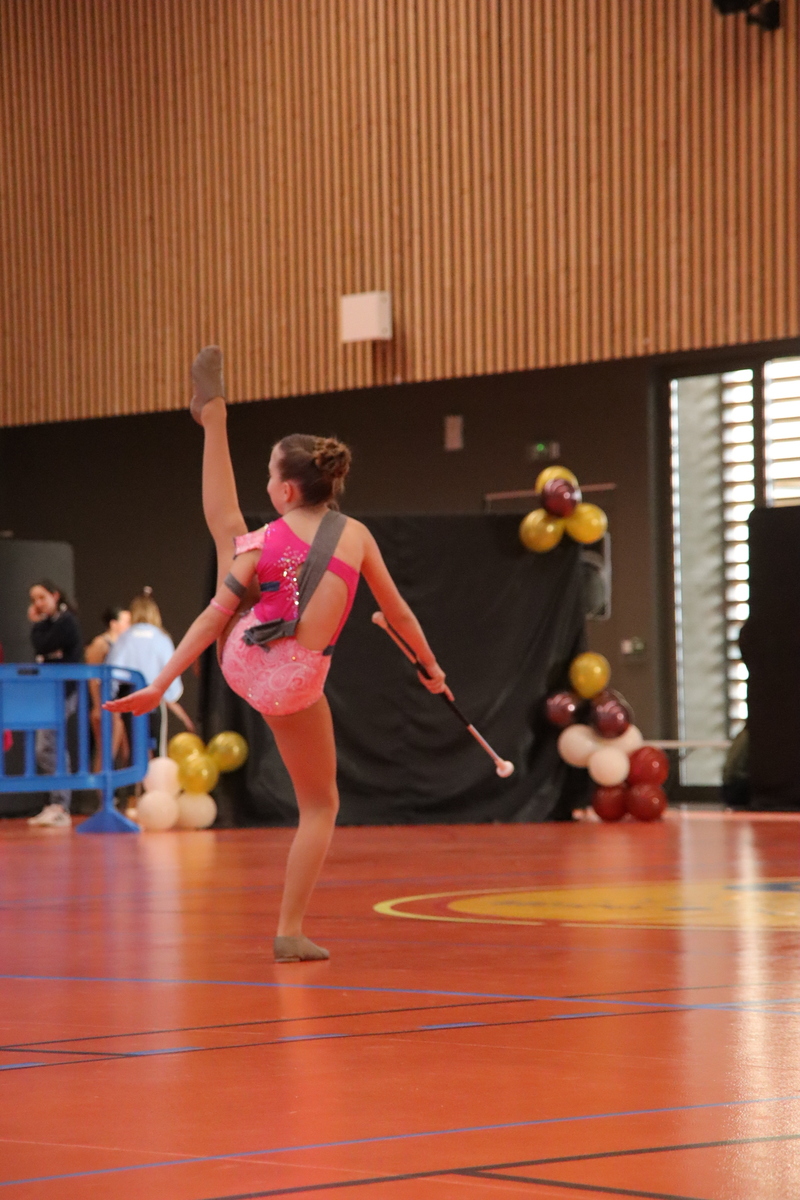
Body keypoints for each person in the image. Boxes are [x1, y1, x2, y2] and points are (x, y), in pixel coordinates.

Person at [106, 346, 447, 963]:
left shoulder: (262, 541)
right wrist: (430, 667)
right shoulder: (358, 537)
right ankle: (289, 931)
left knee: (229, 532)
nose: (268, 486)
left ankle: (213, 419)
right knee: (321, 805)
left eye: (269, 476)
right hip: (293, 685)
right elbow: (399, 614)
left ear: (287, 490)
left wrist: (161, 684)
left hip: (242, 660)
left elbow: (214, 617)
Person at [105, 590, 194, 755]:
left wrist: (112, 697)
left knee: (133, 750)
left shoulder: (124, 638)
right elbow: (171, 670)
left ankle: (137, 772)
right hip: (154, 699)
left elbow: (112, 671)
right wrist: (171, 694)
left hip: (130, 698)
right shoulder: (161, 638)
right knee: (158, 749)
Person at [27, 579, 83, 827]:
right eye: (34, 600)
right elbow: (40, 645)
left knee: (49, 745)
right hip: (47, 693)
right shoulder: (46, 624)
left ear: (55, 595)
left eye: (42, 597)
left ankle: (61, 805)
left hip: (64, 692)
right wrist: (39, 626)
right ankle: (56, 803)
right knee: (47, 746)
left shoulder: (67, 621)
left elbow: (46, 644)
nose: (38, 604)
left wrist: (38, 625)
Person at [84, 606, 131, 770]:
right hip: (106, 705)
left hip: (120, 704)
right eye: (127, 621)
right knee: (106, 752)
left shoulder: (125, 645)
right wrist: (98, 706)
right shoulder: (101, 643)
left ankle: (127, 785)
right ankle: (103, 786)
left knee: (127, 751)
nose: (130, 626)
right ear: (113, 624)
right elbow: (92, 677)